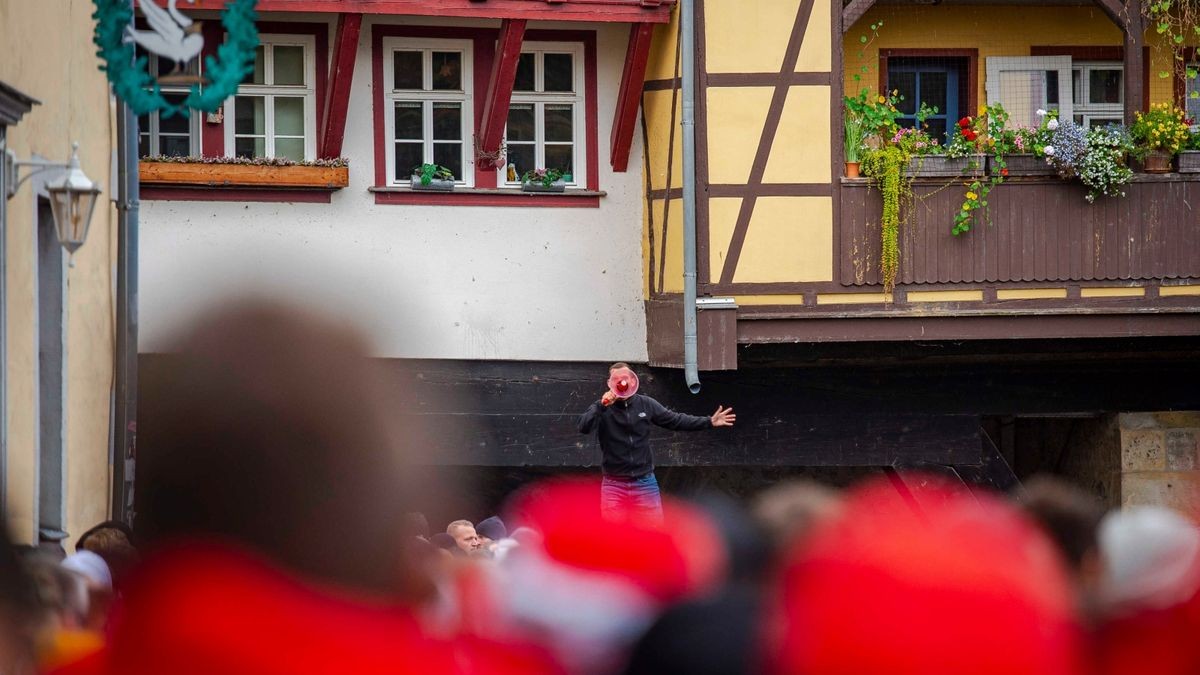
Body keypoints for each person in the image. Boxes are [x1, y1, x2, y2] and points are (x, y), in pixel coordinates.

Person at [577, 363, 734, 517]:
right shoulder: (602, 408)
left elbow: (675, 420)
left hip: (644, 482)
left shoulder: (646, 404)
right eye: (616, 379)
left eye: (625, 378)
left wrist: (709, 421)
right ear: (610, 383)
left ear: (633, 380)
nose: (621, 382)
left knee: (653, 531)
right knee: (614, 536)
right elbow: (584, 427)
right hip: (614, 484)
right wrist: (601, 406)